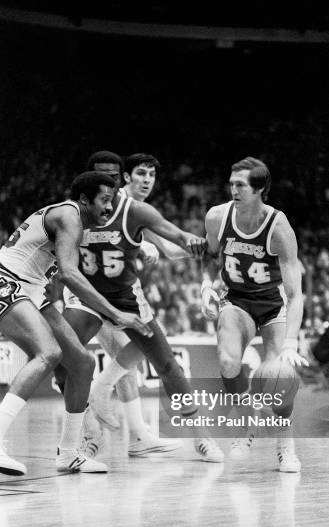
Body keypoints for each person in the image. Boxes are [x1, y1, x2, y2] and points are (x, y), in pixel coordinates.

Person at [58, 151, 224, 463]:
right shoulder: (72, 212)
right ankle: (84, 438)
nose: (107, 181)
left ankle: (201, 437)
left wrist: (195, 242)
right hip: (87, 298)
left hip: (126, 299)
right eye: (100, 175)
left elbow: (173, 234)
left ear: (120, 180)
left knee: (167, 366)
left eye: (112, 176)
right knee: (61, 355)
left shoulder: (134, 210)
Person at [0, 171, 151, 476]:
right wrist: (115, 312)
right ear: (84, 200)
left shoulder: (74, 219)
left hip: (30, 289)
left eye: (113, 201)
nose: (109, 208)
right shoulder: (70, 217)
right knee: (49, 353)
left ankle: (69, 453)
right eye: (104, 200)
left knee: (82, 363)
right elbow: (69, 273)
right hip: (7, 280)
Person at [80, 152, 192, 457]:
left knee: (133, 358)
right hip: (92, 293)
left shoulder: (138, 209)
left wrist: (202, 247)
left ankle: (137, 436)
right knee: (107, 366)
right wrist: (140, 243)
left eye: (151, 176)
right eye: (140, 174)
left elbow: (170, 248)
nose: (146, 181)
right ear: (127, 178)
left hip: (121, 291)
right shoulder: (99, 204)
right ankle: (88, 437)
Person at [201, 157, 308, 471]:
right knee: (227, 361)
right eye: (231, 183)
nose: (233, 189)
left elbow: (295, 295)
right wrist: (206, 285)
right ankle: (247, 423)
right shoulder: (217, 217)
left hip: (273, 305)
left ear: (260, 189)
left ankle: (285, 445)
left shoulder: (279, 227)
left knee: (280, 375)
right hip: (236, 300)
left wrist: (290, 343)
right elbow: (209, 256)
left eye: (241, 185)